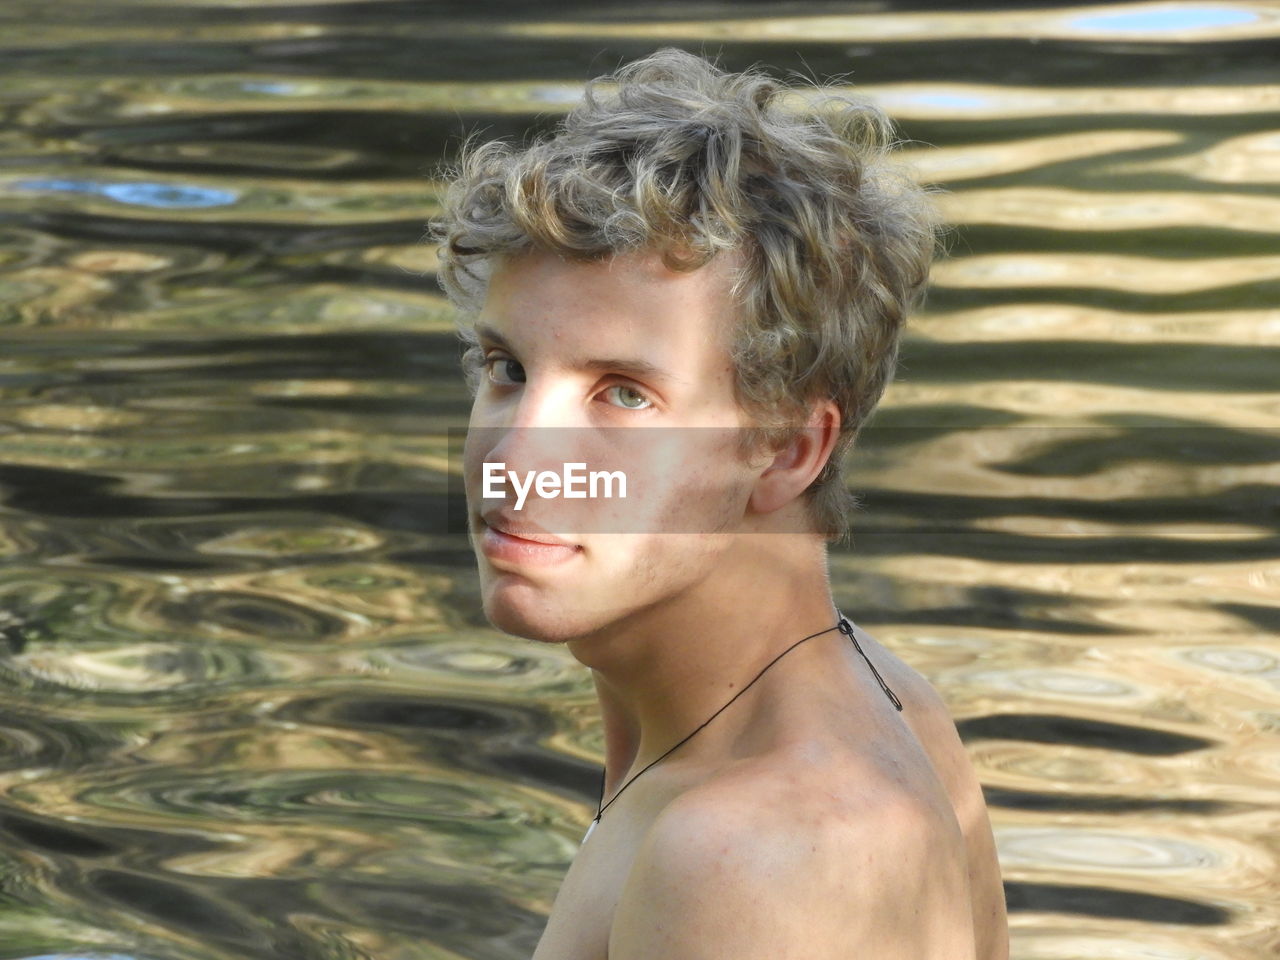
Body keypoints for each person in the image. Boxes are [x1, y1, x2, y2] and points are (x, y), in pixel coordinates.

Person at [427, 46, 1008, 960]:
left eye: (623, 394)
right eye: (507, 369)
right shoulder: (893, 703)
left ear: (787, 449)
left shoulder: (755, 856)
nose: (515, 460)